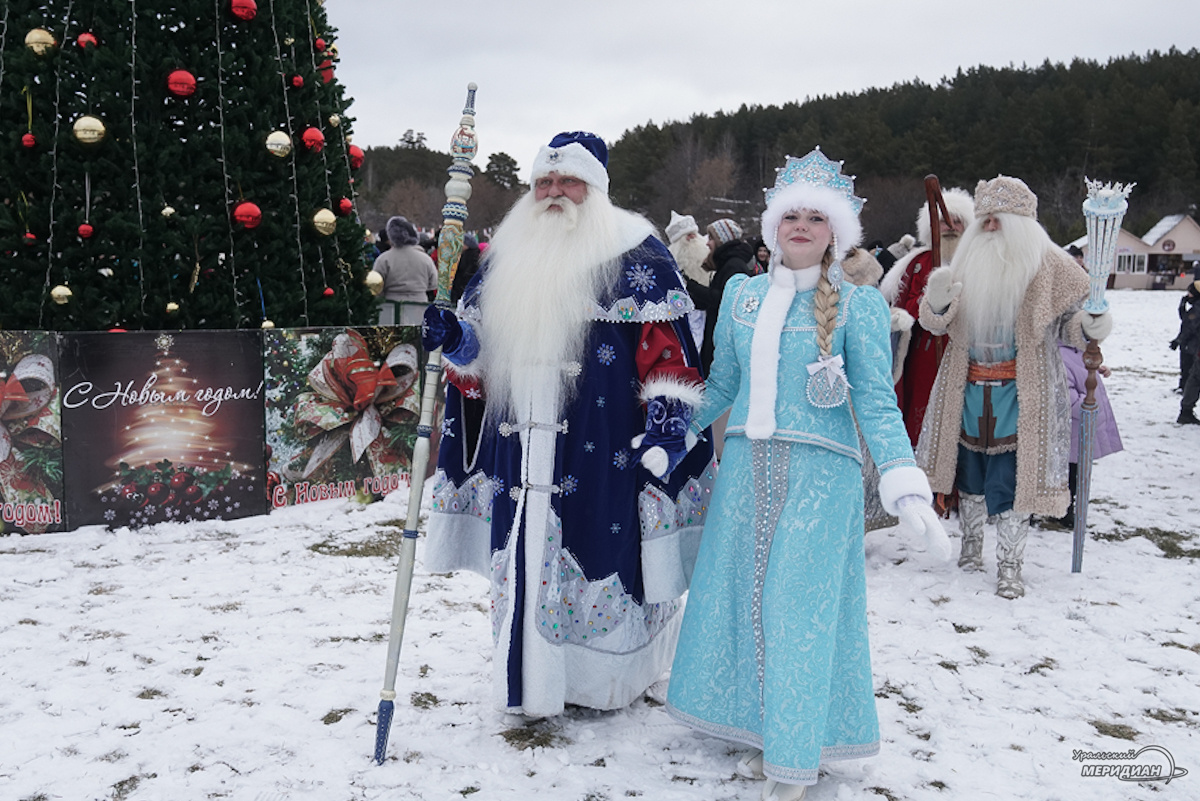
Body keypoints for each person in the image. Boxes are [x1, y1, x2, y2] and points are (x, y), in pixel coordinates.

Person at [666, 148, 949, 801]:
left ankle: (795, 757)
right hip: (746, 473)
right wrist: (670, 431)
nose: (801, 226)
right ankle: (769, 734)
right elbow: (722, 385)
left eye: (815, 218)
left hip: (821, 477)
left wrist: (905, 482)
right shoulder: (741, 297)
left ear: (835, 231)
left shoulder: (858, 306)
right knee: (747, 603)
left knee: (798, 609)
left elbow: (876, 400)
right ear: (772, 226)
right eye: (790, 216)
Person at [421, 131, 715, 720]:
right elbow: (480, 364)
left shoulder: (638, 256)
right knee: (525, 552)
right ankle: (528, 676)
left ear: (595, 189)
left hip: (600, 444)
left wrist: (665, 423)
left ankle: (601, 681)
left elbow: (668, 352)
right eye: (545, 182)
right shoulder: (504, 257)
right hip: (518, 446)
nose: (554, 192)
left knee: (600, 550)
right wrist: (456, 339)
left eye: (569, 181)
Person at [916, 176, 1112, 598]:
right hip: (966, 388)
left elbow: (1070, 326)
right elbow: (934, 323)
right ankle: (971, 547)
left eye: (999, 219)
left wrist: (1090, 326)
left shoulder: (1052, 267)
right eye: (985, 219)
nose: (989, 227)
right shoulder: (964, 262)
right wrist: (936, 302)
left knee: (1012, 479)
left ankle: (1010, 564)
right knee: (968, 473)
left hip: (1023, 393)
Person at [880, 187, 975, 447]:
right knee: (924, 420)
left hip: (968, 352)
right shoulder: (919, 263)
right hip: (924, 354)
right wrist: (930, 302)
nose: (950, 227)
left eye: (957, 221)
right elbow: (903, 306)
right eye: (944, 222)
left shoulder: (976, 262)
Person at [1049, 342, 1123, 528]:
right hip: (1069, 429)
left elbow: (1079, 373)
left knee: (1074, 471)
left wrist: (1095, 370)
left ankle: (1064, 507)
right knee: (1065, 472)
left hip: (1078, 429)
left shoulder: (1077, 351)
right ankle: (1060, 510)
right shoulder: (1060, 355)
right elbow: (1066, 397)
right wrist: (1089, 404)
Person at [685, 218, 755, 375]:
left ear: (721, 240)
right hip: (717, 336)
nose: (707, 243)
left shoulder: (734, 265)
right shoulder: (727, 264)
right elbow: (711, 300)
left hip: (723, 341)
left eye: (711, 238)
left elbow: (722, 299)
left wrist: (690, 285)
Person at [371, 216, 438, 326]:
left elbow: (376, 285)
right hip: (419, 305)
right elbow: (433, 283)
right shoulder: (425, 258)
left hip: (390, 306)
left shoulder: (384, 259)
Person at [666, 211, 712, 351]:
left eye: (694, 234)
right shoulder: (671, 261)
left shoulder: (709, 257)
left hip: (706, 310)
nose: (692, 237)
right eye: (687, 235)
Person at [1170, 280, 1200, 402]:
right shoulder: (1196, 306)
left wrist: (1179, 340)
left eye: (1190, 293)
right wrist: (1182, 307)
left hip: (1192, 343)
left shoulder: (1198, 308)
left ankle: (1185, 388)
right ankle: (1184, 386)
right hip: (1190, 343)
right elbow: (1186, 319)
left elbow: (1189, 326)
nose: (1188, 295)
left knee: (1188, 366)